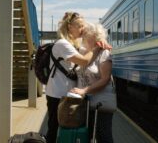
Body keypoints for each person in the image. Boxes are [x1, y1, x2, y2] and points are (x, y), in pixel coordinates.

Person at [45, 12, 107, 143]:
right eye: (79, 26)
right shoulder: (62, 44)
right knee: (54, 128)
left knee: (67, 129)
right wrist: (97, 48)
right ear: (69, 27)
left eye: (83, 26)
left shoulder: (73, 45)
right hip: (57, 94)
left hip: (68, 95)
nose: (82, 29)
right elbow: (84, 61)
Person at [70, 22, 114, 143]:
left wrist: (84, 90)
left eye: (87, 37)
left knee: (103, 136)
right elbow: (70, 39)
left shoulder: (104, 53)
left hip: (101, 104)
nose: (84, 39)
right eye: (84, 37)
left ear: (95, 38)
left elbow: (105, 79)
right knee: (85, 136)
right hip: (83, 105)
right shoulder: (83, 51)